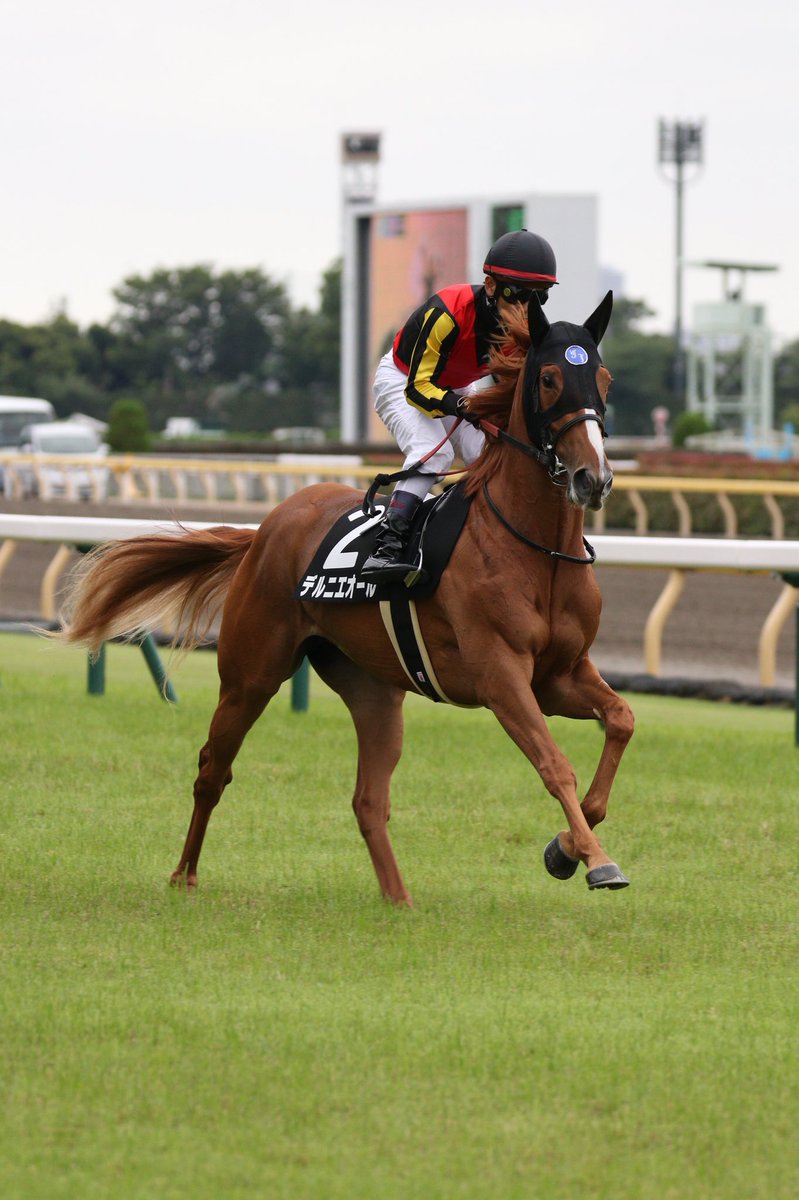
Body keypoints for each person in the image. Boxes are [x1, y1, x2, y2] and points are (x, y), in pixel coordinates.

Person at [361, 229, 558, 582]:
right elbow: (419, 390)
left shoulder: (519, 332)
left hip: (456, 384)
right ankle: (385, 548)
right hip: (402, 379)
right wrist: (463, 404)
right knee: (432, 454)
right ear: (491, 284)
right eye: (517, 293)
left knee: (492, 454)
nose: (524, 307)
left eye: (538, 297)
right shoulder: (447, 313)